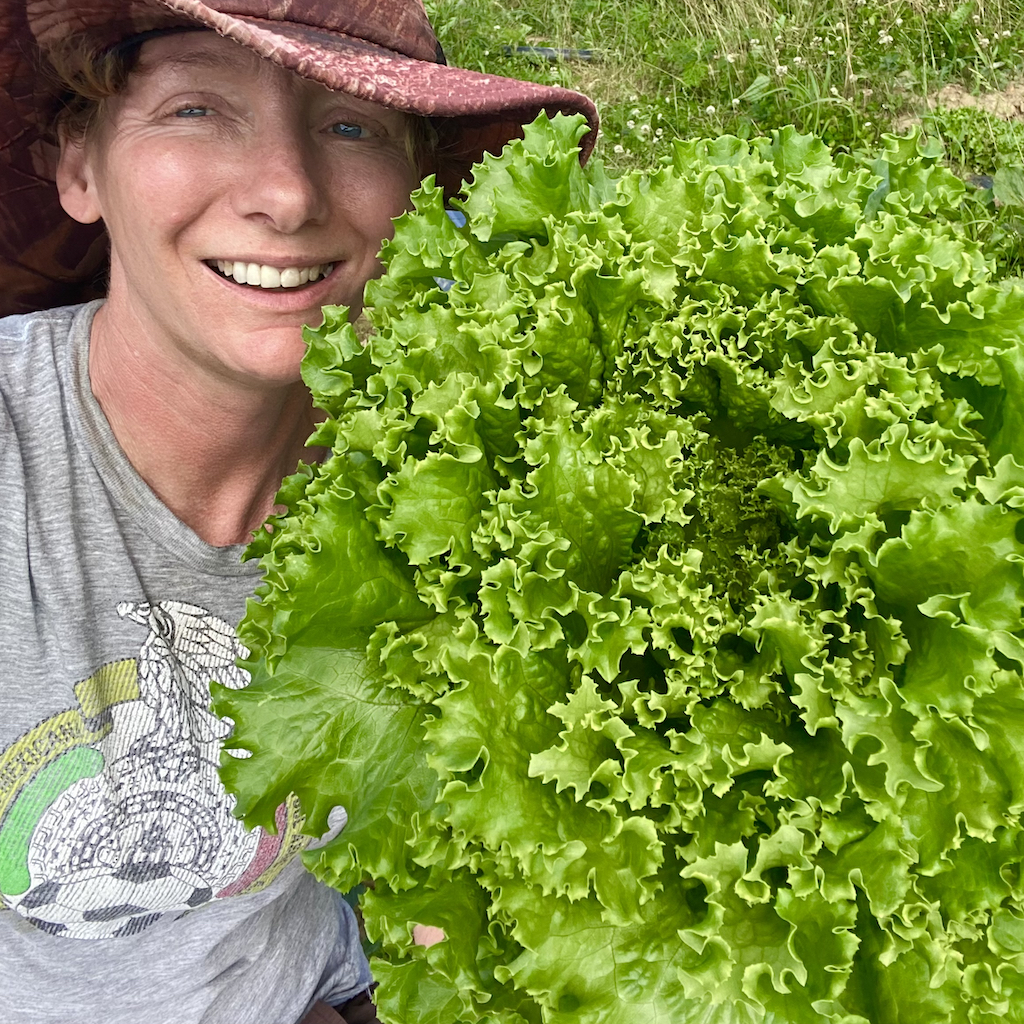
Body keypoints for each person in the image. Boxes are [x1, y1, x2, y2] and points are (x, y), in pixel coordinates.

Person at [0, 2, 598, 1021]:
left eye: (351, 124)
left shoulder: (463, 486)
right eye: (194, 108)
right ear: (80, 167)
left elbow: (462, 875)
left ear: (416, 191)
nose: (284, 191)